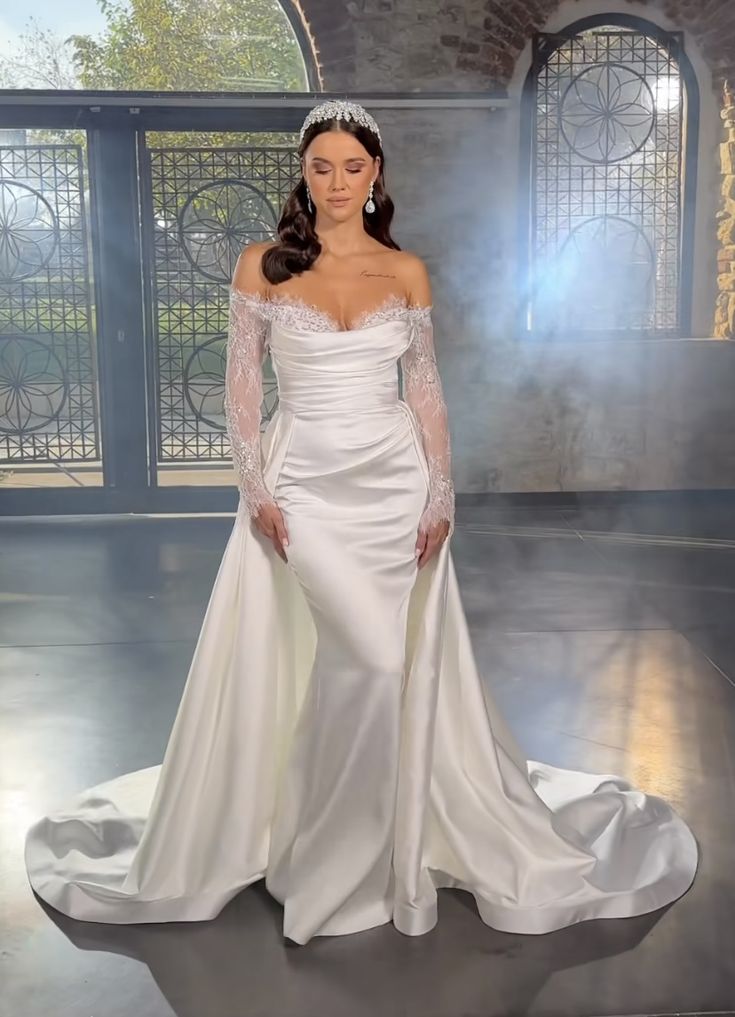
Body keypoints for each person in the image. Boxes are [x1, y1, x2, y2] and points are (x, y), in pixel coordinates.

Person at [24, 100, 698, 946]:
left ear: (376, 174)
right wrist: (254, 486)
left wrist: (440, 493)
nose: (337, 182)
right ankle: (323, 855)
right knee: (367, 661)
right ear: (301, 176)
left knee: (378, 665)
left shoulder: (406, 272)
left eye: (352, 167)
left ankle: (362, 840)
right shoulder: (260, 266)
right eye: (320, 167)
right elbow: (240, 390)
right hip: (301, 481)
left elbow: (424, 391)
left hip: (393, 485)